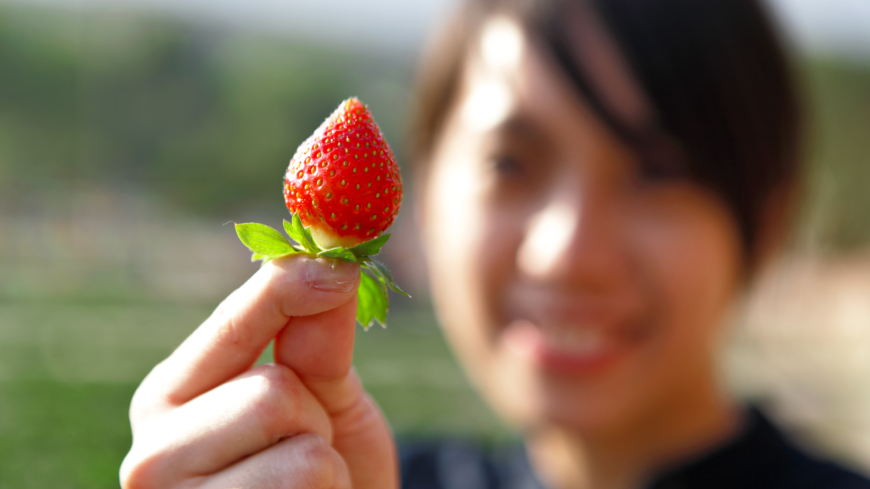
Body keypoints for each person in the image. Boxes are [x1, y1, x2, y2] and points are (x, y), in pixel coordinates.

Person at [119, 0, 870, 488]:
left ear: (767, 220)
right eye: (510, 163)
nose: (565, 252)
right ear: (426, 195)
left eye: (657, 172)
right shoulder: (353, 477)